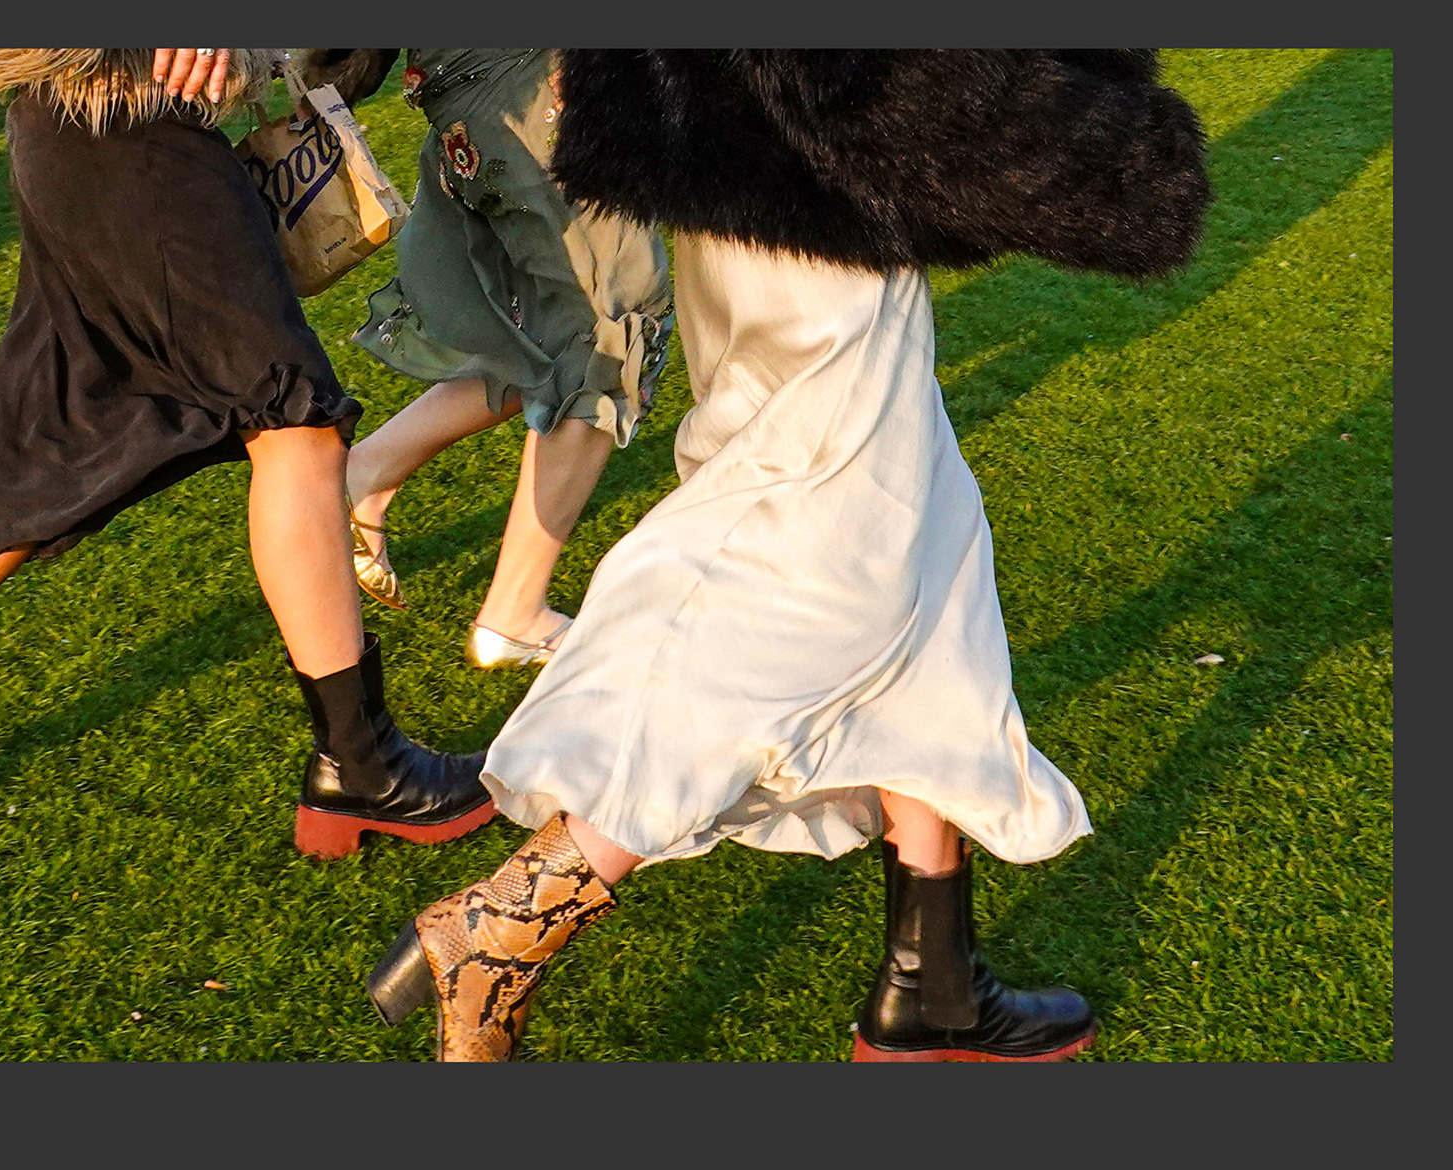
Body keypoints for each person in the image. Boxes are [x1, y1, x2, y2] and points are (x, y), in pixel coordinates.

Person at [364, 49, 1212, 1061]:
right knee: (811, 564)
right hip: (819, 168)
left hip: (726, 157)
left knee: (923, 539)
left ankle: (932, 980)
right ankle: (503, 925)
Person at [0, 48, 494, 882]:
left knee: (48, 435)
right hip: (129, 135)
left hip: (91, 129)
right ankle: (360, 763)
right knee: (291, 420)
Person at [340, 48, 673, 669]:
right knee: (612, 336)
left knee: (546, 334)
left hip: (473, 94)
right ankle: (514, 615)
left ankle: (367, 472)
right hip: (527, 85)